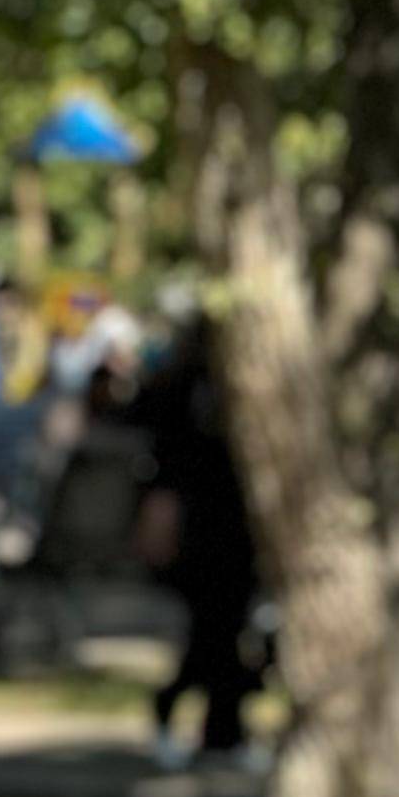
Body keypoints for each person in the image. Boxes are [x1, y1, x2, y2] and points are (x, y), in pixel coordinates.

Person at [133, 308, 267, 771]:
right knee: (215, 632)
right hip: (203, 526)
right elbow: (167, 457)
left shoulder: (241, 385)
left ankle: (222, 730)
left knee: (227, 631)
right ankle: (197, 719)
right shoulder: (191, 387)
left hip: (235, 524)